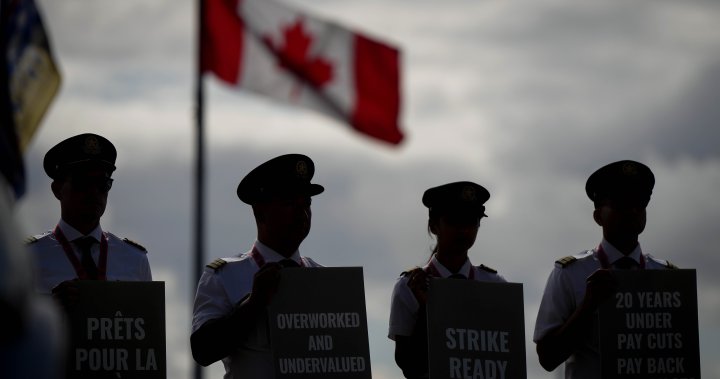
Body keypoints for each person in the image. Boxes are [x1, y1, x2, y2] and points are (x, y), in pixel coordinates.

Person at [533, 160, 678, 379]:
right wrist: (588, 306)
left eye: (639, 202)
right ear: (598, 216)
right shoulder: (570, 273)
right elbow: (547, 359)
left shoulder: (668, 278)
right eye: (621, 203)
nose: (632, 210)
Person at [191, 153, 325, 378]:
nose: (302, 212)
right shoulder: (225, 275)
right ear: (260, 212)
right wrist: (254, 305)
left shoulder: (323, 279)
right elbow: (203, 351)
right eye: (290, 203)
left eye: (307, 203)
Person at [388, 181, 506, 379]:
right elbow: (410, 367)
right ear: (434, 226)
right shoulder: (409, 287)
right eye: (455, 221)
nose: (464, 230)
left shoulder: (495, 286)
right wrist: (427, 309)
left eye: (471, 221)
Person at [27, 133, 152, 297]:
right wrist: (52, 309)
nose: (93, 192)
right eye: (82, 182)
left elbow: (149, 321)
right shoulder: (29, 258)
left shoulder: (134, 260)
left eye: (102, 184)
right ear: (57, 189)